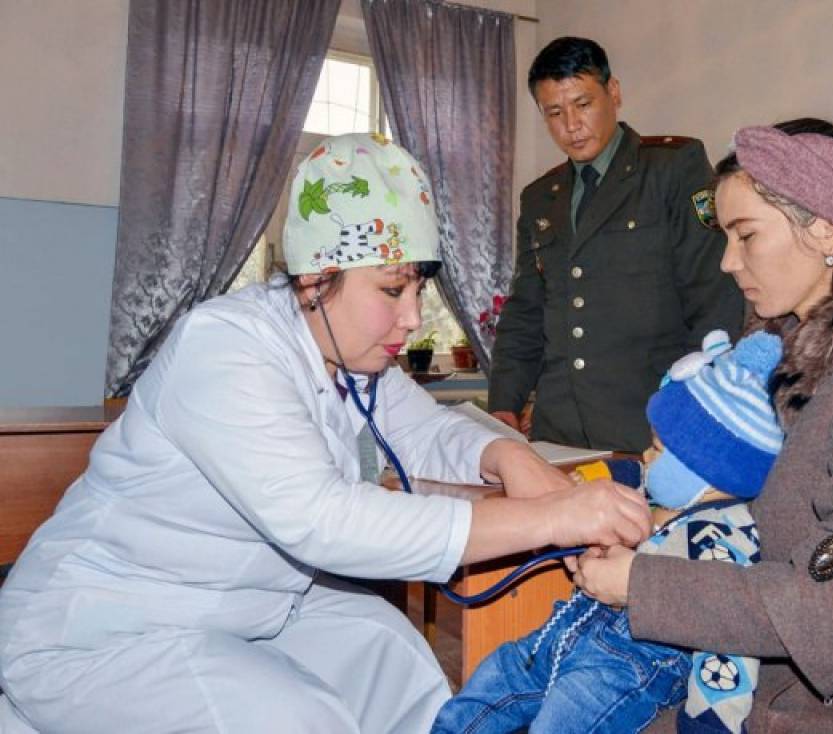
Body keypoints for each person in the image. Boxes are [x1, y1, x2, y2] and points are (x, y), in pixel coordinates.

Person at [0, 133, 652, 734]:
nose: (413, 317)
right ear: (316, 279)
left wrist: (510, 456)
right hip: (102, 628)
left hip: (249, 608)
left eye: (418, 289)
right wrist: (553, 518)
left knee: (397, 660)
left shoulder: (350, 356)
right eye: (392, 290)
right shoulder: (224, 347)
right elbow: (324, 521)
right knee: (297, 720)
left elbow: (427, 429)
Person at [574, 119, 833, 732]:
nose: (727, 261)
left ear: (827, 228)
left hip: (807, 713)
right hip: (711, 674)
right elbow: (745, 507)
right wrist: (652, 518)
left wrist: (645, 584)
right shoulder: (771, 351)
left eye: (746, 235)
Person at [434, 329, 784, 734]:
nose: (646, 456)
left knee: (561, 722)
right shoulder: (668, 492)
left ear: (707, 467)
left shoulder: (721, 541)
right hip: (570, 630)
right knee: (496, 677)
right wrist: (588, 481)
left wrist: (711, 720)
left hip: (631, 665)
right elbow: (628, 473)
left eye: (657, 448)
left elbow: (728, 633)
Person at [487, 36, 744, 454]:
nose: (571, 125)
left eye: (583, 104)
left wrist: (688, 413)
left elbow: (713, 300)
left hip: (648, 426)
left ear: (614, 93)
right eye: (555, 112)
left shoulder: (671, 168)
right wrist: (504, 403)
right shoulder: (539, 198)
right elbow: (525, 312)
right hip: (559, 432)